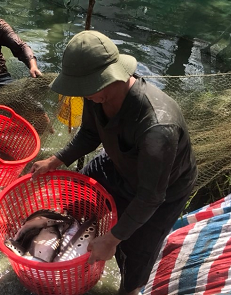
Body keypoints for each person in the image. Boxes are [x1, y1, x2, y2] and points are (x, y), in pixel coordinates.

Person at [30, 30, 197, 295]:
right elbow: (89, 134)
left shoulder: (157, 126)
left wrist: (112, 238)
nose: (82, 94)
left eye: (85, 88)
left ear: (106, 81)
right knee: (73, 205)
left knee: (135, 252)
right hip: (118, 163)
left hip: (160, 192)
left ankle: (130, 288)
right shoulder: (95, 96)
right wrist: (55, 160)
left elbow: (150, 196)